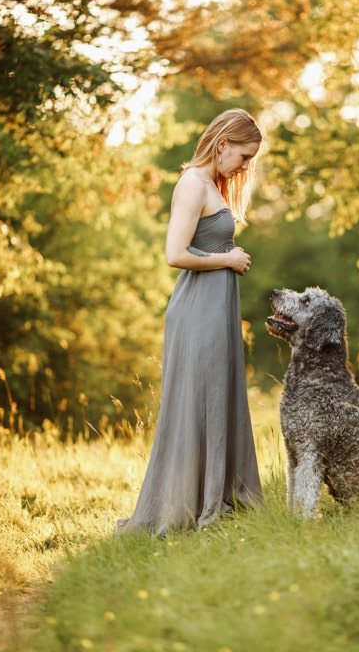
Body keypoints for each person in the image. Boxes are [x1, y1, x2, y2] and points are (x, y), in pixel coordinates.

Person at [116, 108, 264, 535]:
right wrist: (229, 259)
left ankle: (220, 498)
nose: (244, 166)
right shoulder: (192, 185)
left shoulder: (213, 185)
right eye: (243, 156)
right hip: (197, 310)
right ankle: (188, 506)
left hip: (216, 309)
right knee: (197, 402)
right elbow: (174, 254)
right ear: (222, 145)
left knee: (220, 398)